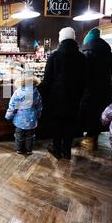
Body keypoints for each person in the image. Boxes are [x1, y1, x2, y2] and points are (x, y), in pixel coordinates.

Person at [40, 27, 88, 160]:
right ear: (74, 38)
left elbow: (47, 80)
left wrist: (42, 95)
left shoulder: (54, 56)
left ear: (61, 38)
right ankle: (67, 151)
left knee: (56, 124)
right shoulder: (82, 57)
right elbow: (85, 80)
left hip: (56, 98)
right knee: (70, 125)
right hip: (74, 98)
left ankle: (56, 150)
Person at [79, 28, 112, 150]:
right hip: (105, 89)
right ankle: (93, 138)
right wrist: (111, 72)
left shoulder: (86, 55)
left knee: (89, 113)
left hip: (90, 90)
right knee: (101, 113)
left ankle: (90, 140)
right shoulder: (107, 54)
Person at [5, 74, 43, 155]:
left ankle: (19, 149)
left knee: (19, 135)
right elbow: (39, 106)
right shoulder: (36, 93)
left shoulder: (18, 92)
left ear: (21, 82)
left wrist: (9, 115)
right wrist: (38, 115)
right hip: (32, 119)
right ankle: (29, 150)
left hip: (20, 118)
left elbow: (13, 105)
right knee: (30, 136)